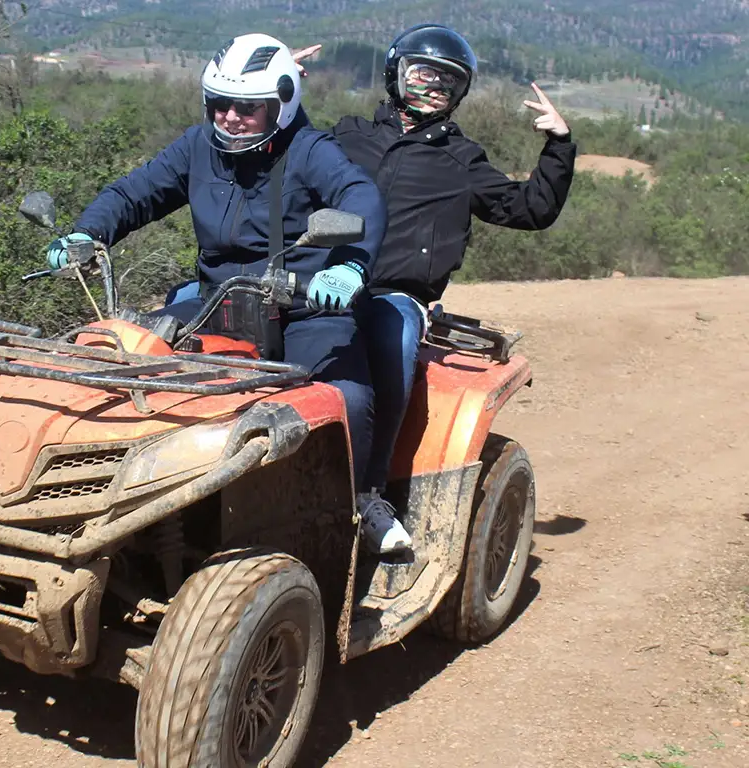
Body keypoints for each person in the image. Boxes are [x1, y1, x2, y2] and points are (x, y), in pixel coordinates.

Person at [45, 33, 412, 555]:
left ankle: (359, 505)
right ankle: (108, 500)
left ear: (281, 105)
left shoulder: (310, 150)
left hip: (305, 308)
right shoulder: (198, 147)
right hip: (219, 305)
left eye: (247, 107)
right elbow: (134, 192)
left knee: (344, 397)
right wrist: (88, 233)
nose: (230, 117)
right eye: (220, 104)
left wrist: (349, 265)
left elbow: (360, 196)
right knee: (127, 356)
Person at [290, 24, 577, 554]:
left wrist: (558, 145)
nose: (435, 87)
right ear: (395, 74)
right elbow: (290, 153)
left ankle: (369, 496)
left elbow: (530, 208)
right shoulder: (348, 136)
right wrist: (283, 85)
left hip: (392, 295)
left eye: (448, 81)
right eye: (423, 74)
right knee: (202, 309)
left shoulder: (461, 160)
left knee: (394, 335)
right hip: (318, 280)